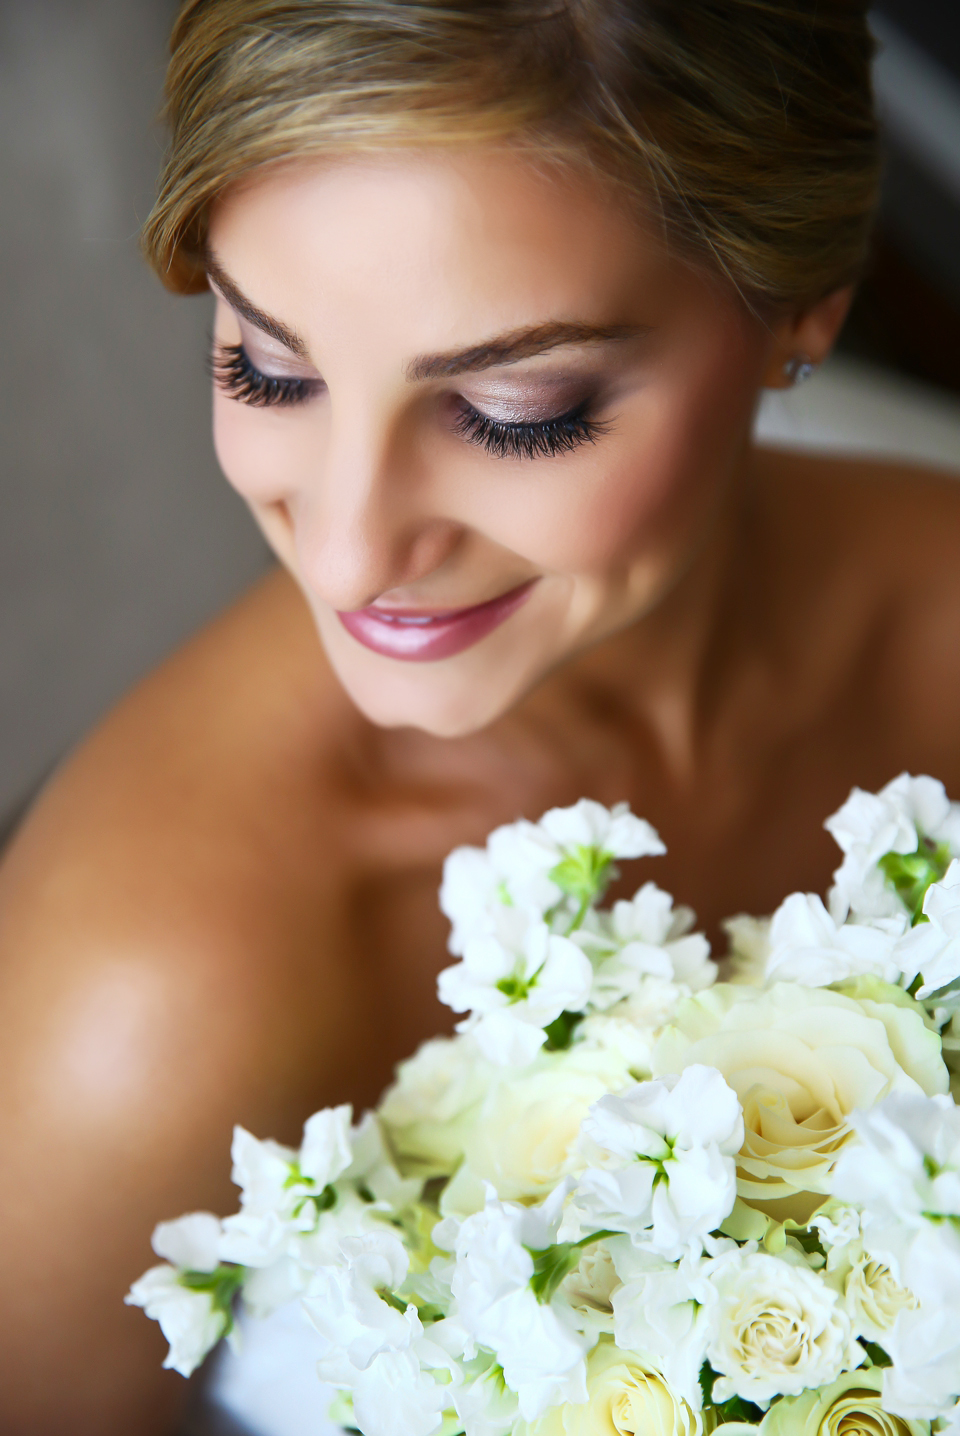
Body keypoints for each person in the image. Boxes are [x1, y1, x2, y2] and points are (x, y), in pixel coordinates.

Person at [1, 0, 960, 1431]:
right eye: (268, 366)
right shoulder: (151, 994)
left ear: (801, 308)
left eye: (516, 408)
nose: (345, 550)